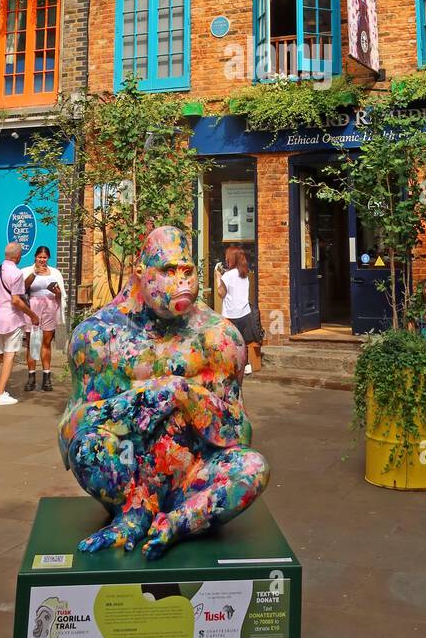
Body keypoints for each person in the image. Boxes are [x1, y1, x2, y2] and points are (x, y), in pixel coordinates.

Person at [60, 225, 269, 559]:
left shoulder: (218, 338)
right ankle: (132, 514)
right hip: (127, 476)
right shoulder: (99, 336)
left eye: (188, 271)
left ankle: (178, 522)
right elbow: (72, 430)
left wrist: (185, 394)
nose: (182, 281)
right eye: (169, 271)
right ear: (141, 274)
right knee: (87, 448)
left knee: (252, 468)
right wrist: (140, 400)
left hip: (195, 478)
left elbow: (239, 433)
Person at [0, 242, 39, 407]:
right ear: (17, 256)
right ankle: (0, 394)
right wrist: (32, 315)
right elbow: (16, 300)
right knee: (9, 354)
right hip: (11, 319)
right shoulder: (16, 273)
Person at [23, 245, 66, 393]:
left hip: (49, 305)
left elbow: (61, 295)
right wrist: (34, 274)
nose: (42, 260)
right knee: (31, 343)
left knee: (46, 342)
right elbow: (22, 288)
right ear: (35, 257)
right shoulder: (27, 271)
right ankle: (31, 377)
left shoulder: (54, 272)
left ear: (48, 258)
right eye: (39, 257)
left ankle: (46, 377)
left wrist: (57, 292)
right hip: (32, 307)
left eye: (45, 257)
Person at [216, 246, 258, 374]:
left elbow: (221, 293)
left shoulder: (227, 275)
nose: (225, 259)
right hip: (245, 312)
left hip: (230, 314)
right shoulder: (244, 273)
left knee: (231, 342)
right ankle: (247, 365)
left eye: (227, 257)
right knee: (245, 341)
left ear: (231, 258)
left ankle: (232, 365)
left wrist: (218, 276)